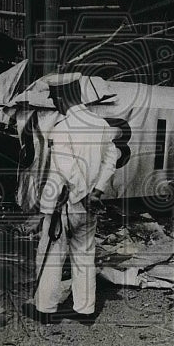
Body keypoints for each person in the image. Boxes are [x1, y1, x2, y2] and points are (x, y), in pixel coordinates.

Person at [29, 73, 120, 323]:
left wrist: (80, 195)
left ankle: (45, 309)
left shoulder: (63, 127)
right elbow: (111, 161)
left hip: (65, 204)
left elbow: (67, 169)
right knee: (85, 254)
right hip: (89, 204)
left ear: (62, 96)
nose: (54, 103)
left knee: (50, 256)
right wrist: (96, 192)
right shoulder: (101, 124)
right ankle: (85, 309)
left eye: (54, 98)